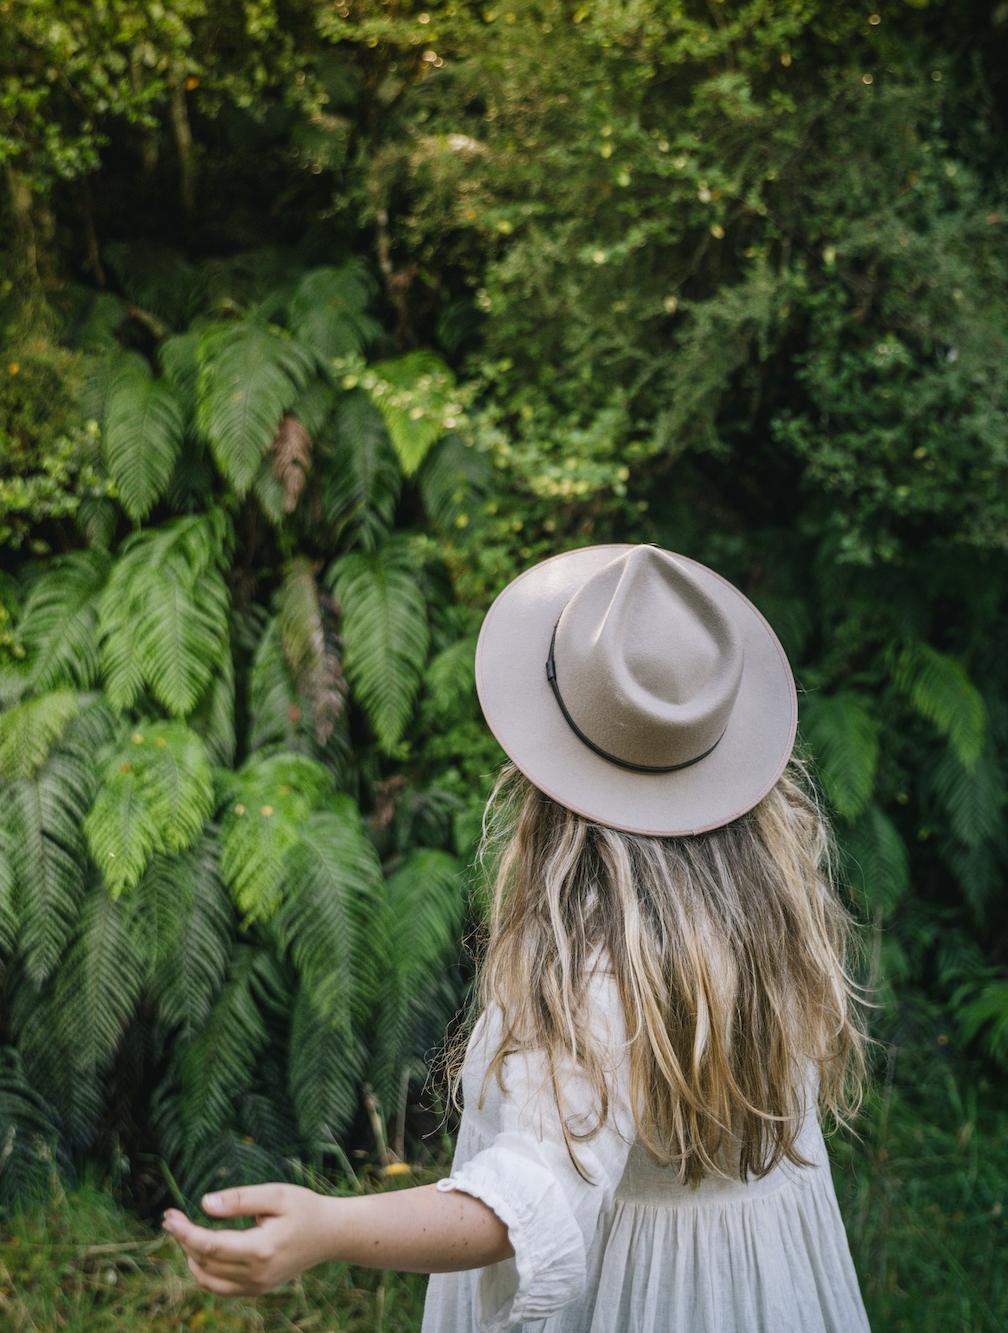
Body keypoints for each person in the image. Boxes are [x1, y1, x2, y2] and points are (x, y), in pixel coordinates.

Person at [164, 544, 870, 1331]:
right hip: (764, 1292)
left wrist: (328, 1226)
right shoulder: (770, 906)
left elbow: (525, 1199)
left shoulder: (597, 965)